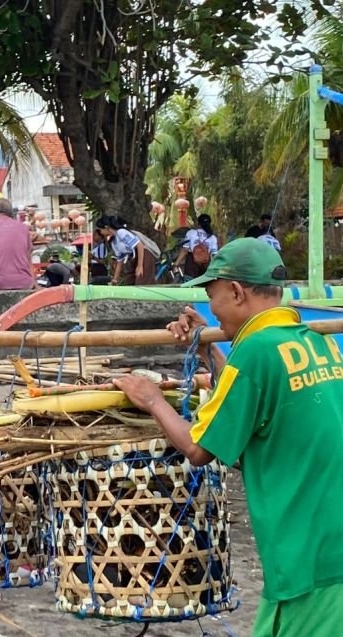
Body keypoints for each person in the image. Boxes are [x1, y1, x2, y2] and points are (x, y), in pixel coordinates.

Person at [113, 238, 343, 637]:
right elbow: (245, 408)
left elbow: (200, 447)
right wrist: (209, 349)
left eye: (212, 295)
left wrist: (151, 399)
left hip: (311, 558)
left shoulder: (255, 352)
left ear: (236, 292)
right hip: (324, 546)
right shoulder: (316, 343)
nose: (212, 308)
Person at [95, 216, 157, 285]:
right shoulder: (113, 242)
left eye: (101, 230)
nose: (100, 232)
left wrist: (140, 266)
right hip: (132, 257)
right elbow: (120, 261)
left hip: (143, 254)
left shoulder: (121, 232)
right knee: (129, 280)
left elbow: (139, 246)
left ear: (106, 228)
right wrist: (115, 279)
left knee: (142, 279)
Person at [175, 213, 219, 278]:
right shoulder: (212, 237)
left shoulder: (191, 233)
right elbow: (214, 255)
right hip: (205, 264)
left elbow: (185, 250)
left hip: (191, 264)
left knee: (189, 284)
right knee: (202, 286)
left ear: (198, 223)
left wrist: (176, 264)